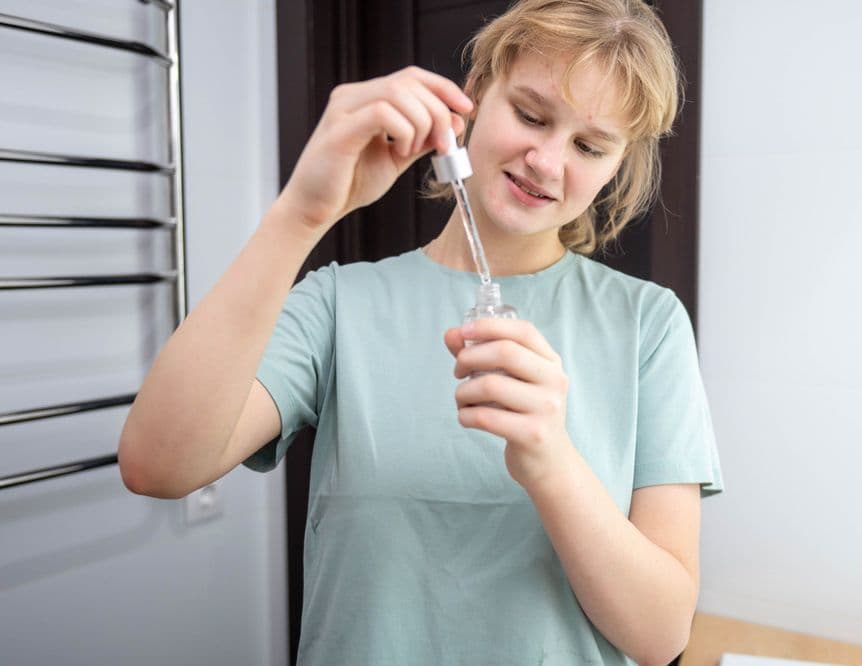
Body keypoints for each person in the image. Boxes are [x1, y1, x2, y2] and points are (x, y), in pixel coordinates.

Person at [118, 0, 723, 663]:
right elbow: (158, 466)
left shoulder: (648, 324)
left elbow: (663, 635)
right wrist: (302, 213)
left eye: (589, 145)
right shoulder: (338, 303)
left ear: (617, 167)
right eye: (530, 114)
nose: (547, 161)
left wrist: (551, 462)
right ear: (476, 95)